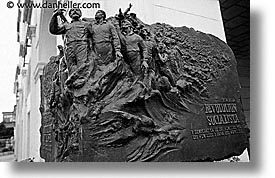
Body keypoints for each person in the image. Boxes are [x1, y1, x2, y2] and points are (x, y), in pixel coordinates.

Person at [49, 8, 93, 74]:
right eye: (72, 11)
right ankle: (72, 83)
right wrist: (55, 16)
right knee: (71, 69)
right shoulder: (66, 25)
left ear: (80, 14)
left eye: (77, 10)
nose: (75, 11)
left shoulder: (86, 24)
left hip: (82, 46)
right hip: (69, 48)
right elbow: (53, 30)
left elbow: (93, 35)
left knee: (82, 68)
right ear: (69, 15)